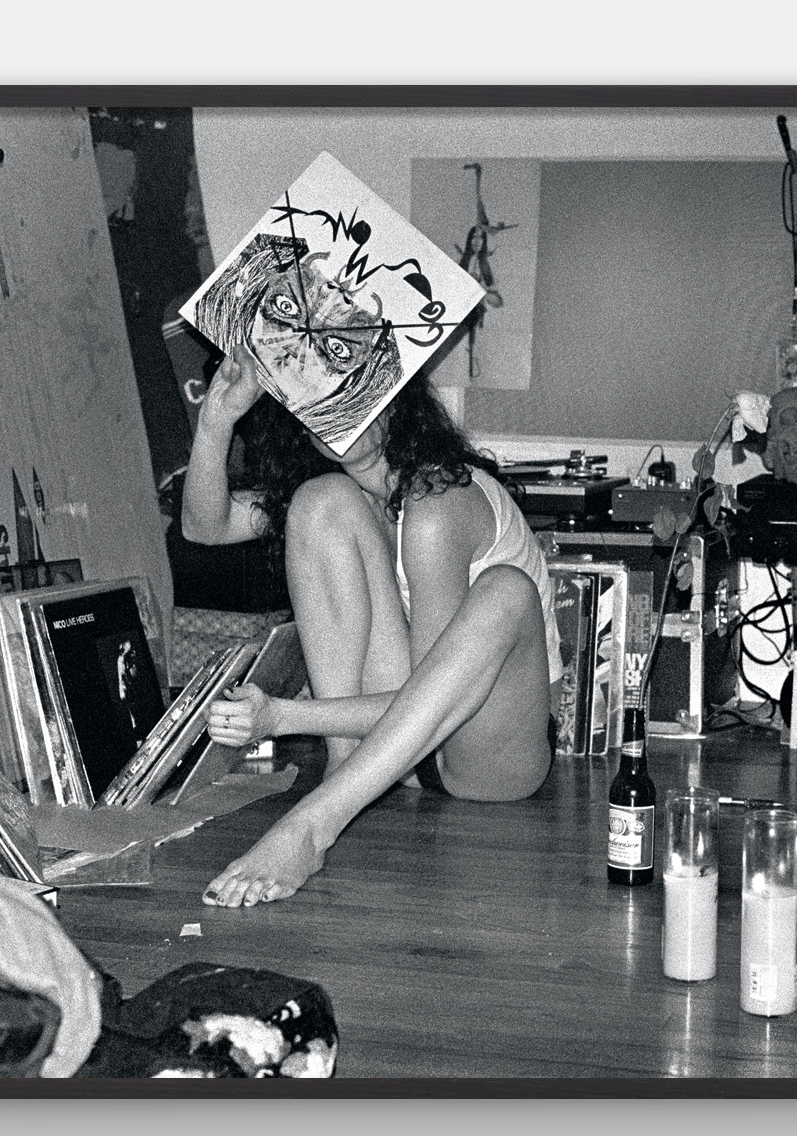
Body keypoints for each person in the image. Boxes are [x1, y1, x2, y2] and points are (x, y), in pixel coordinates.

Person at [180, 348, 563, 908]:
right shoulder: (349, 493)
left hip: (487, 757)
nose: (337, 410)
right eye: (316, 402)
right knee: (316, 501)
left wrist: (284, 717)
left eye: (351, 388)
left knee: (506, 590)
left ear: (391, 393)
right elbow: (203, 526)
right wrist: (218, 415)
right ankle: (344, 763)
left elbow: (432, 708)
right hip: (388, 755)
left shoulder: (439, 501)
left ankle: (314, 824)